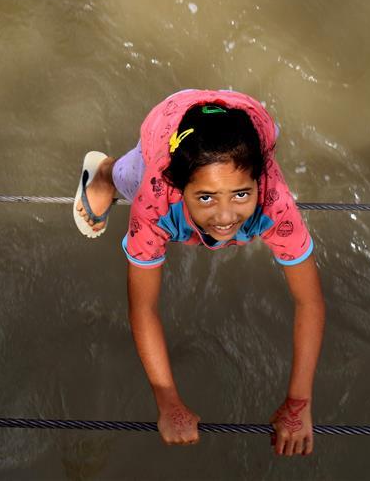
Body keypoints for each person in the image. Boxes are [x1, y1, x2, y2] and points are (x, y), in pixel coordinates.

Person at [73, 89, 325, 457]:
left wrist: (298, 403)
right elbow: (143, 309)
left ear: (259, 183)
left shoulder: (275, 202)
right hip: (170, 120)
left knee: (262, 142)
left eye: (241, 194)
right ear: (180, 189)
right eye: (206, 197)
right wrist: (167, 401)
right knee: (128, 179)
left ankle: (228, 122)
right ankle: (104, 173)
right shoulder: (156, 199)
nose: (226, 217)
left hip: (246, 114)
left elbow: (310, 301)